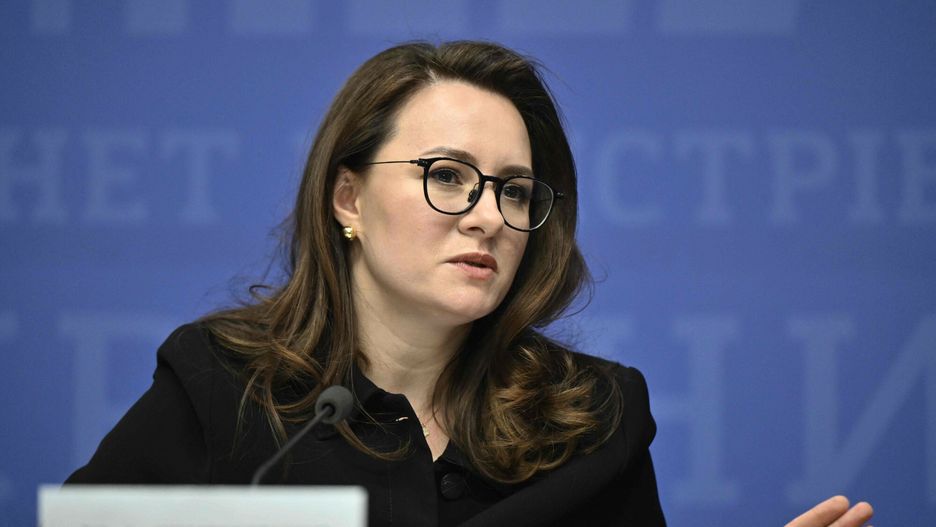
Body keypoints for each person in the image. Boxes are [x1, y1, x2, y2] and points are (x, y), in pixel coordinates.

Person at [66, 41, 873, 527]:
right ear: (348, 198)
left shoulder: (595, 421)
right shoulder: (224, 386)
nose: (488, 216)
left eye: (514, 190)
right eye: (447, 176)